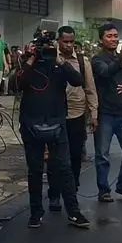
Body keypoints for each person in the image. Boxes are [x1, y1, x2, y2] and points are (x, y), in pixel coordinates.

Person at [13, 34, 90, 229]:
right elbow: (17, 84)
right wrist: (30, 58)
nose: (45, 52)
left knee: (64, 169)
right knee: (35, 171)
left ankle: (73, 211)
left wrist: (59, 60)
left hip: (57, 124)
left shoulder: (58, 66)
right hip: (31, 124)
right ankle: (35, 213)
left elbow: (77, 80)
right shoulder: (29, 66)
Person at [49, 26, 96, 212]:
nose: (68, 45)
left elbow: (90, 89)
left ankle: (72, 188)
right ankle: (54, 194)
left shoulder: (83, 62)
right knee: (55, 159)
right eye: (65, 41)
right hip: (55, 115)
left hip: (77, 115)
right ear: (58, 41)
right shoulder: (51, 59)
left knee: (75, 156)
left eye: (71, 42)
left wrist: (94, 114)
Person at [90, 25, 122, 203]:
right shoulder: (97, 59)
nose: (114, 39)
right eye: (109, 36)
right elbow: (105, 72)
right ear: (101, 39)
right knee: (102, 154)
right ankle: (103, 190)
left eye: (116, 36)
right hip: (106, 114)